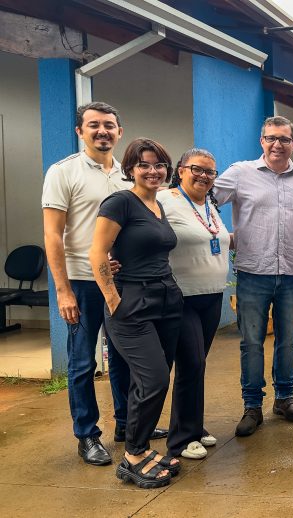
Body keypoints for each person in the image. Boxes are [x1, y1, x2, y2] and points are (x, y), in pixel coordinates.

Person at [41, 102, 165, 466]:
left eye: (109, 125)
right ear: (80, 131)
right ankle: (87, 434)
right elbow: (52, 234)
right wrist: (62, 290)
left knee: (126, 358)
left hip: (124, 282)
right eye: (93, 125)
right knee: (82, 361)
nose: (102, 131)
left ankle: (128, 424)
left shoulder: (130, 176)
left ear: (119, 132)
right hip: (82, 283)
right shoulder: (63, 172)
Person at [213, 116, 293, 437]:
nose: (277, 144)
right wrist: (218, 235)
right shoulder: (240, 173)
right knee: (252, 343)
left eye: (284, 139)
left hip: (292, 274)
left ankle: (284, 399)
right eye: (271, 138)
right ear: (262, 141)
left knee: (289, 341)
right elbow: (202, 200)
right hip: (252, 274)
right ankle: (252, 405)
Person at [89, 138, 183, 487]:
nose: (153, 171)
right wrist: (114, 301)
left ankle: (140, 448)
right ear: (131, 168)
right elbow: (97, 253)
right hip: (132, 303)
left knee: (150, 381)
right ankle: (131, 457)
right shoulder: (120, 202)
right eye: (145, 164)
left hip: (166, 300)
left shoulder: (157, 205)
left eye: (159, 165)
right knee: (154, 379)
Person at [158, 148, 231, 460]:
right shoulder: (164, 199)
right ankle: (180, 440)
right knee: (191, 363)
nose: (204, 176)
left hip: (212, 295)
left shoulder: (209, 205)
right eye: (197, 169)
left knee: (197, 365)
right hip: (181, 295)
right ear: (181, 170)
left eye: (210, 172)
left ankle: (194, 426)